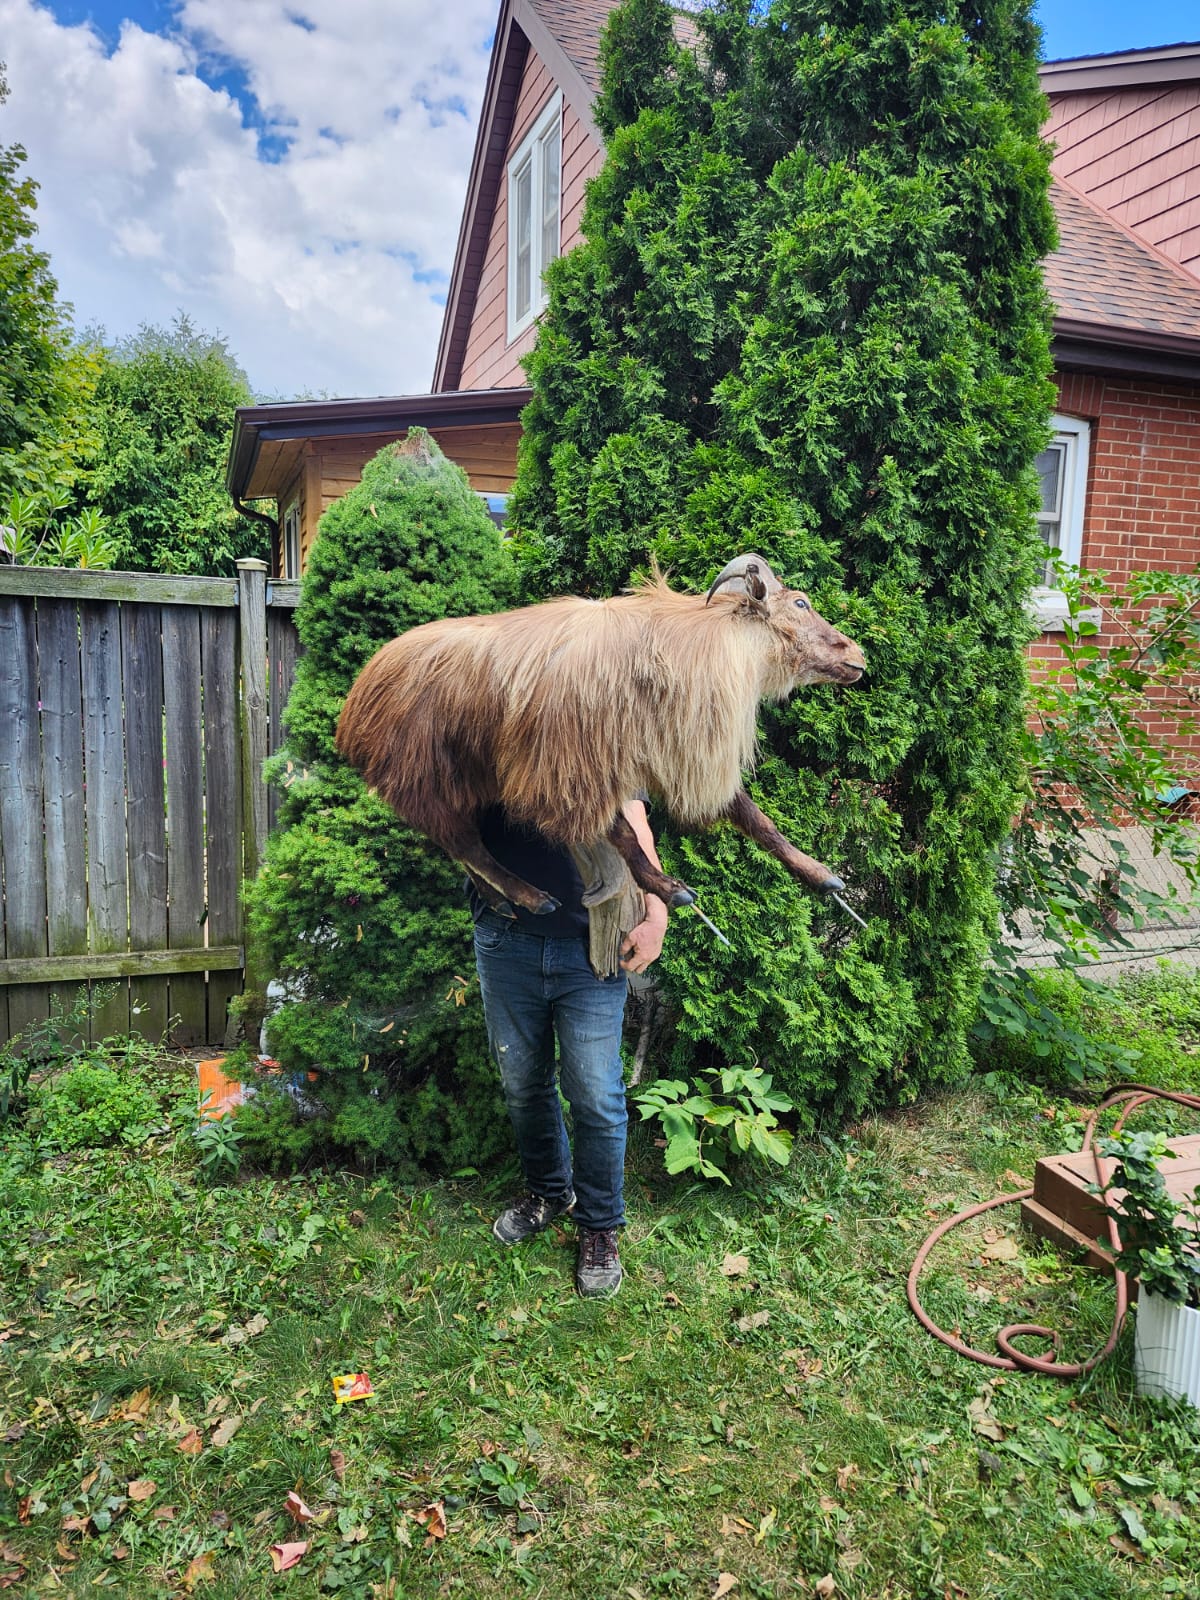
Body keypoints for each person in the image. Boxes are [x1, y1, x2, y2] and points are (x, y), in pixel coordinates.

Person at [468, 799, 668, 1296]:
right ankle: (549, 1192)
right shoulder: (481, 728)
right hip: (505, 940)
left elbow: (635, 823)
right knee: (523, 1084)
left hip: (592, 946)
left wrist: (656, 913)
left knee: (597, 1096)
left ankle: (600, 1225)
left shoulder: (597, 730)